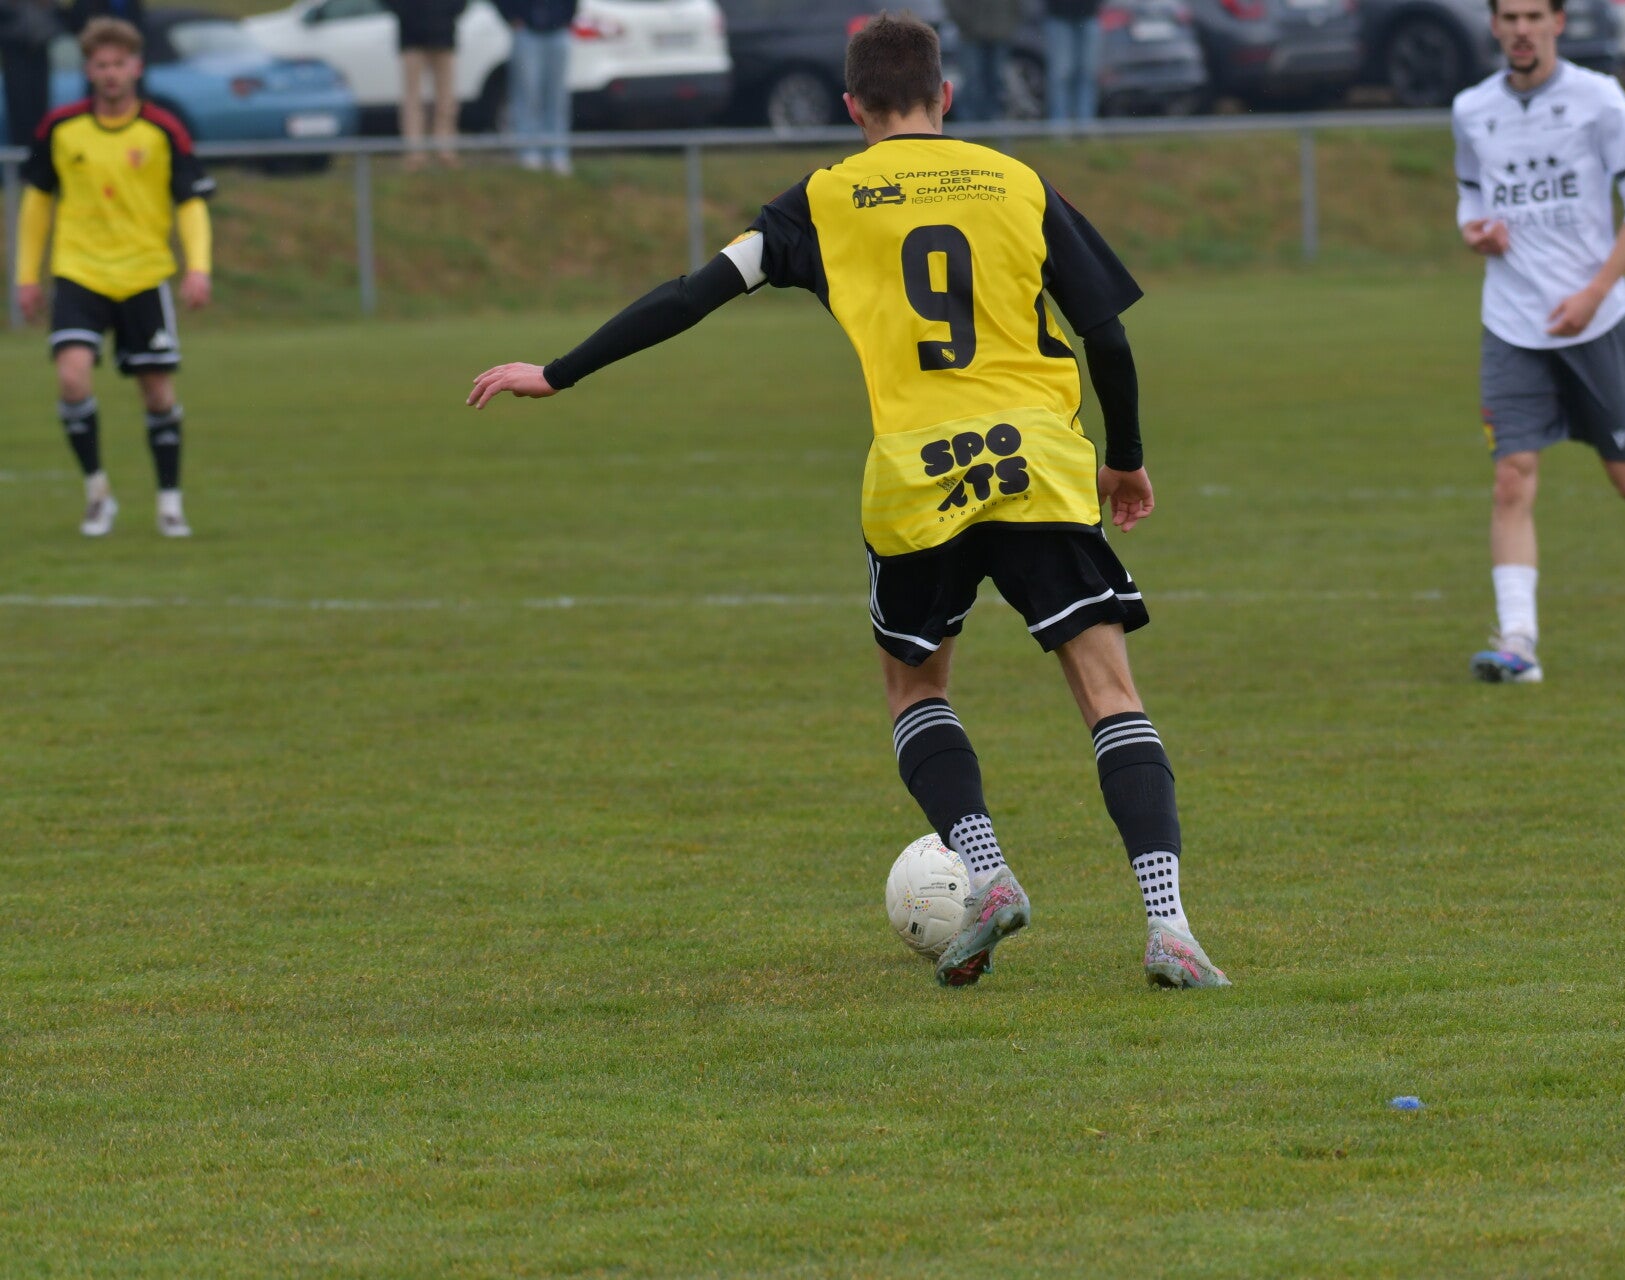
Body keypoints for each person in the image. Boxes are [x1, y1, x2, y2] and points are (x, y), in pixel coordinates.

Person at [469, 12, 1230, 991]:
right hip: (1037, 462)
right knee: (1109, 693)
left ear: (851, 107)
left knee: (917, 689)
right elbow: (1107, 338)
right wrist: (1124, 459)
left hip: (916, 475)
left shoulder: (823, 199)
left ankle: (990, 874)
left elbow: (692, 293)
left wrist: (559, 371)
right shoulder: (1016, 182)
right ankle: (1169, 926)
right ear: (945, 95)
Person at [1451, 0, 1625, 683]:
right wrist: (1474, 230)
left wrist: (1595, 293)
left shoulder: (1599, 99)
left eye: (1533, 16)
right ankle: (1519, 645)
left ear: (1558, 22)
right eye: (1509, 17)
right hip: (1511, 322)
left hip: (1595, 322)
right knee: (1511, 477)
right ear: (1494, 25)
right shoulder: (1471, 109)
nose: (1521, 29)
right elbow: (1470, 196)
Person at [13, 17, 214, 538]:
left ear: (136, 67)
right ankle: (97, 494)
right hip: (79, 272)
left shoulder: (163, 129)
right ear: (88, 70)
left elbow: (190, 203)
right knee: (72, 376)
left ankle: (170, 503)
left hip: (144, 275)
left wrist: (198, 268)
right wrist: (26, 275)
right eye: (101, 64)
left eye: (119, 64)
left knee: (157, 393)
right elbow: (36, 203)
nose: (110, 73)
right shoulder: (60, 129)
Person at [385, 0, 466, 170]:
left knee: (446, 98)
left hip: (443, 34)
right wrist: (407, 13)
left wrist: (446, 13)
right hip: (412, 37)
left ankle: (445, 149)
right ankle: (414, 152)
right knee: (412, 98)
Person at [499, 0, 574, 175]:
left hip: (557, 31)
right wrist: (511, 17)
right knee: (526, 95)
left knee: (557, 98)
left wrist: (566, 19)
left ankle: (557, 153)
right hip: (527, 32)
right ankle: (528, 152)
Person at [944, 0, 1021, 124]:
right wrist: (963, 20)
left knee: (996, 81)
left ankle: (993, 123)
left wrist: (1011, 22)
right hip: (970, 33)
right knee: (972, 82)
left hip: (1001, 30)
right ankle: (969, 124)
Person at [1, 0, 60, 149]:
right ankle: (20, 150)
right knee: (18, 103)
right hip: (13, 47)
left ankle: (41, 147)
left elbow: (60, 12)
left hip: (40, 46)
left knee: (40, 102)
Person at [1042, 0, 1101, 124]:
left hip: (1089, 14)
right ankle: (1059, 125)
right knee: (1060, 75)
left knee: (1088, 74)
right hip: (1059, 15)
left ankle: (1085, 123)